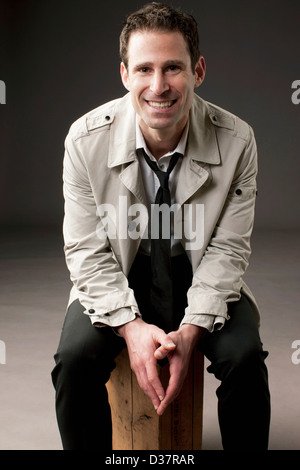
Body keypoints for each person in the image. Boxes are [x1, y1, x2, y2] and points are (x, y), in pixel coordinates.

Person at [51, 2, 271, 450]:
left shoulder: (238, 140)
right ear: (125, 75)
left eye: (173, 67)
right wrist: (129, 327)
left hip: (199, 270)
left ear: (199, 70)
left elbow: (228, 251)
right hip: (119, 271)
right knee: (72, 360)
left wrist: (191, 332)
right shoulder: (84, 139)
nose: (158, 86)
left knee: (245, 357)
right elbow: (87, 253)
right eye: (144, 69)